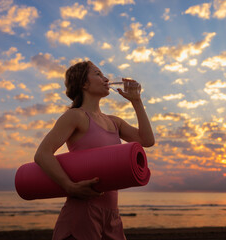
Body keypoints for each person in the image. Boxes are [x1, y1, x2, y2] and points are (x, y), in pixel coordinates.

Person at [34, 60, 155, 240]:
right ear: (84, 83)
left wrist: (137, 101)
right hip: (82, 213)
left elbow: (147, 140)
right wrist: (69, 186)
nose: (105, 78)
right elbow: (42, 154)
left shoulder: (115, 122)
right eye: (98, 74)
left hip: (112, 215)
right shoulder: (75, 116)